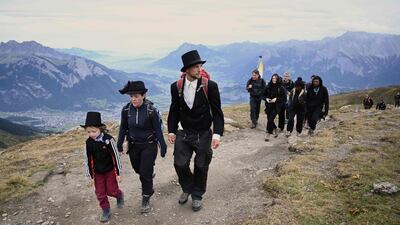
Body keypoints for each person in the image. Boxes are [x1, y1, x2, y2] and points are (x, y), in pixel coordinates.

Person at [167, 50, 224, 212]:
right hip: (184, 132)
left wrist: (217, 134)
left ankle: (197, 195)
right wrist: (171, 130)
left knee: (201, 165)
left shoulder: (210, 86)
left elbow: (217, 112)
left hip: (203, 132)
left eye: (200, 66)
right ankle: (188, 187)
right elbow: (174, 110)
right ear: (186, 70)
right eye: (196, 67)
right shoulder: (176, 87)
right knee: (179, 163)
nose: (200, 69)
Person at [117, 81, 167, 213]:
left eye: (136, 96)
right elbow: (123, 127)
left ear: (144, 95)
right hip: (133, 145)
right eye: (131, 96)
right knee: (137, 169)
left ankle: (146, 196)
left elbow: (157, 129)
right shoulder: (126, 110)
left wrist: (163, 145)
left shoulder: (151, 111)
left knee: (145, 173)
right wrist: (119, 143)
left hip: (149, 145)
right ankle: (148, 175)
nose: (133, 99)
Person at [82, 112, 124, 222]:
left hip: (110, 171)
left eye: (94, 131)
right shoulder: (88, 143)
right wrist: (90, 176)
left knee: (112, 191)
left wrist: (119, 173)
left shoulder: (109, 140)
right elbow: (88, 159)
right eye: (89, 132)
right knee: (100, 193)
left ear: (100, 129)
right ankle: (106, 210)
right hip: (98, 173)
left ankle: (119, 195)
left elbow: (116, 157)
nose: (91, 134)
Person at [264, 73, 286, 141]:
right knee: (269, 119)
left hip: (276, 106)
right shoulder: (268, 86)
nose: (274, 80)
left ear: (278, 79)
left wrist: (276, 99)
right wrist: (266, 99)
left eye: (275, 78)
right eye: (273, 78)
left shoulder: (281, 88)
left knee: (270, 119)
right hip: (268, 106)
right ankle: (275, 128)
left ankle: (268, 134)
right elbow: (263, 95)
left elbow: (284, 98)